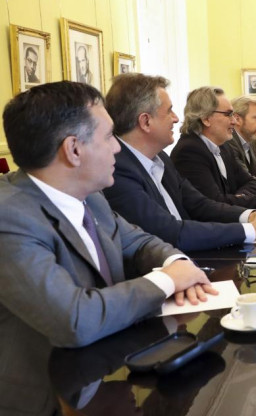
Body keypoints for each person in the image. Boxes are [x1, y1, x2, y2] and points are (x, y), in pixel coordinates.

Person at [0, 81, 215, 412]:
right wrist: (168, 280)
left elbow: (138, 241)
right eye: (108, 137)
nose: (117, 148)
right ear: (73, 150)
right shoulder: (9, 217)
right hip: (46, 399)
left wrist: (178, 261)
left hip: (108, 370)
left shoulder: (92, 197)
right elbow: (74, 319)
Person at [103, 74, 256, 252]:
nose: (175, 118)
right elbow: (170, 232)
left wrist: (251, 215)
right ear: (145, 121)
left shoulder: (161, 158)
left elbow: (200, 204)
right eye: (169, 111)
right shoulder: (117, 170)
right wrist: (252, 229)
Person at [170, 86, 256, 209]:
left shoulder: (222, 146)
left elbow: (251, 182)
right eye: (228, 114)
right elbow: (214, 204)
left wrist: (240, 197)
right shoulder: (189, 151)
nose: (233, 121)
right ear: (206, 119)